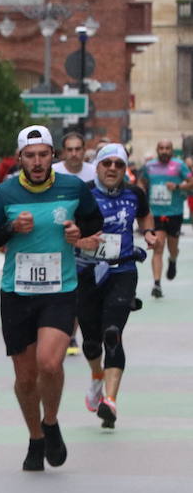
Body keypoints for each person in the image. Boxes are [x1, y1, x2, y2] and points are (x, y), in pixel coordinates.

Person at [0, 125, 103, 472]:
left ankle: (51, 420)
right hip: (16, 293)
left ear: (53, 156)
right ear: (19, 158)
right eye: (29, 156)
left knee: (50, 363)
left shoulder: (72, 187)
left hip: (59, 290)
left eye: (43, 154)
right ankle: (35, 437)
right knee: (26, 377)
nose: (36, 161)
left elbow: (94, 222)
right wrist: (10, 230)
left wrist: (79, 232)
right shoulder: (5, 193)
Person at [74, 144, 154, 430]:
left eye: (118, 165)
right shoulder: (82, 193)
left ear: (125, 169)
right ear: (96, 166)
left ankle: (110, 401)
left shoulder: (135, 194)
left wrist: (148, 232)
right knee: (92, 341)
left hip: (123, 270)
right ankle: (97, 376)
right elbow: (66, 226)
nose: (112, 169)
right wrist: (78, 239)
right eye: (106, 163)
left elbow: (145, 215)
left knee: (113, 333)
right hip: (87, 272)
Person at [137, 138, 192, 298]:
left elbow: (191, 182)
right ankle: (157, 284)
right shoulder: (149, 166)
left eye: (167, 148)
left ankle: (173, 259)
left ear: (172, 150)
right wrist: (141, 190)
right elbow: (141, 180)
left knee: (172, 248)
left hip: (174, 212)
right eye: (161, 148)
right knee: (158, 247)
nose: (164, 151)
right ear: (157, 149)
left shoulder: (179, 165)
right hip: (156, 214)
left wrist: (177, 186)